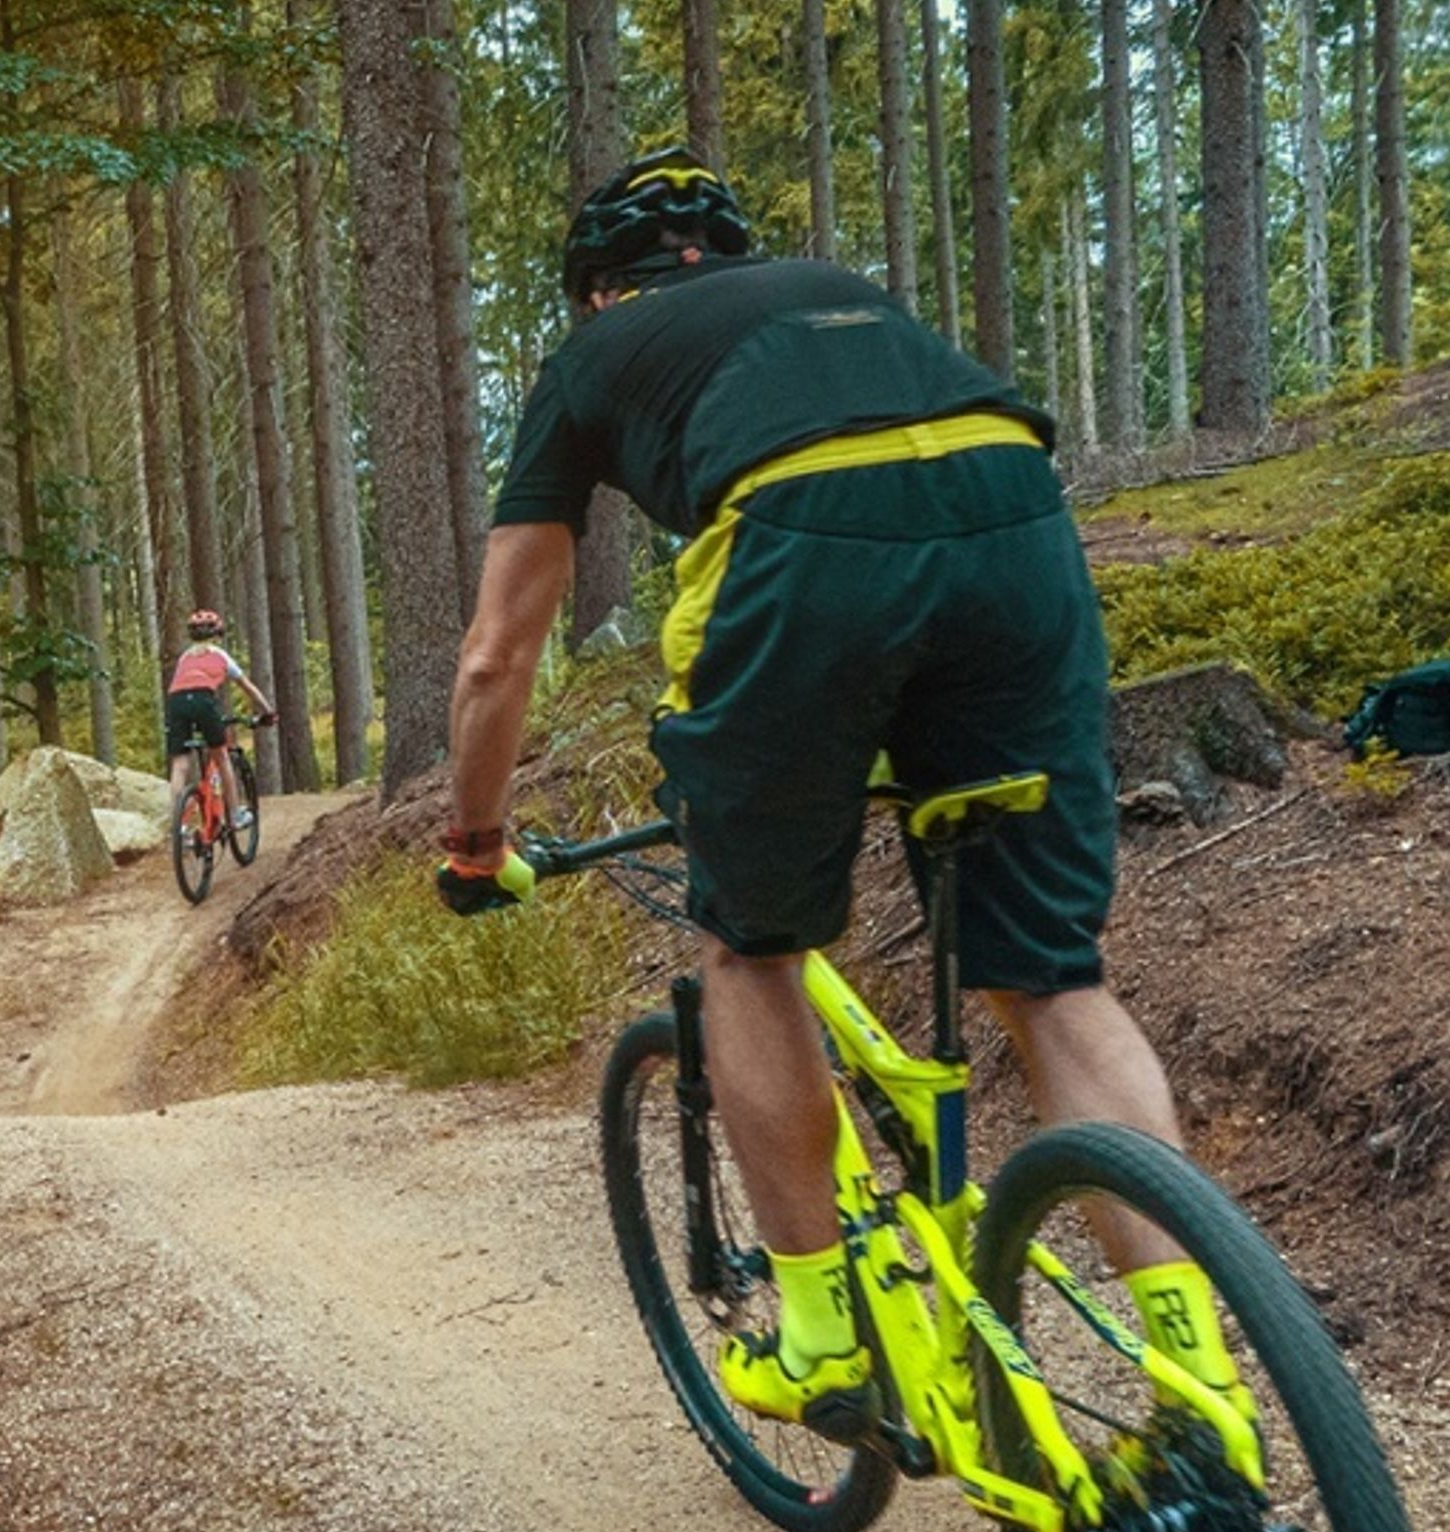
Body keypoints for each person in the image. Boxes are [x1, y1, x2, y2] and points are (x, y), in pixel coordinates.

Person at [432, 148, 1241, 1434]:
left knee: (753, 951)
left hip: (803, 540)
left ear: (600, 289)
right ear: (729, 256)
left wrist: (477, 837)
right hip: (1020, 518)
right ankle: (1201, 1372)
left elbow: (496, 654)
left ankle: (817, 1335)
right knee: (1053, 980)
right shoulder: (839, 291)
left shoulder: (593, 354)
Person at [160, 608, 276, 822]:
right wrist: (267, 711)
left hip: (175, 702)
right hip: (204, 700)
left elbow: (181, 687)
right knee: (222, 757)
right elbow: (247, 686)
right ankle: (235, 815)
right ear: (216, 635)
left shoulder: (184, 658)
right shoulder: (219, 655)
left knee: (180, 764)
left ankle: (179, 825)